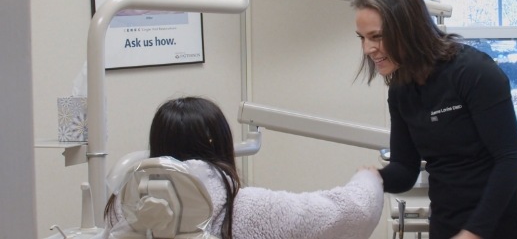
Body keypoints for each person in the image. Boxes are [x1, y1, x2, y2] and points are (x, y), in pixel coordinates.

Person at [352, 0, 517, 239]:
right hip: (447, 222)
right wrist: (373, 179)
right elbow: (405, 169)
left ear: (408, 29)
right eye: (363, 38)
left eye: (377, 36)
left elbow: (509, 162)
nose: (368, 49)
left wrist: (474, 233)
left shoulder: (473, 72)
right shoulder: (401, 89)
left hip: (499, 224)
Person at [99, 96, 384, 239]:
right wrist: (368, 178)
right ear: (219, 142)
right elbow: (351, 212)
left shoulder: (125, 211)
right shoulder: (245, 208)